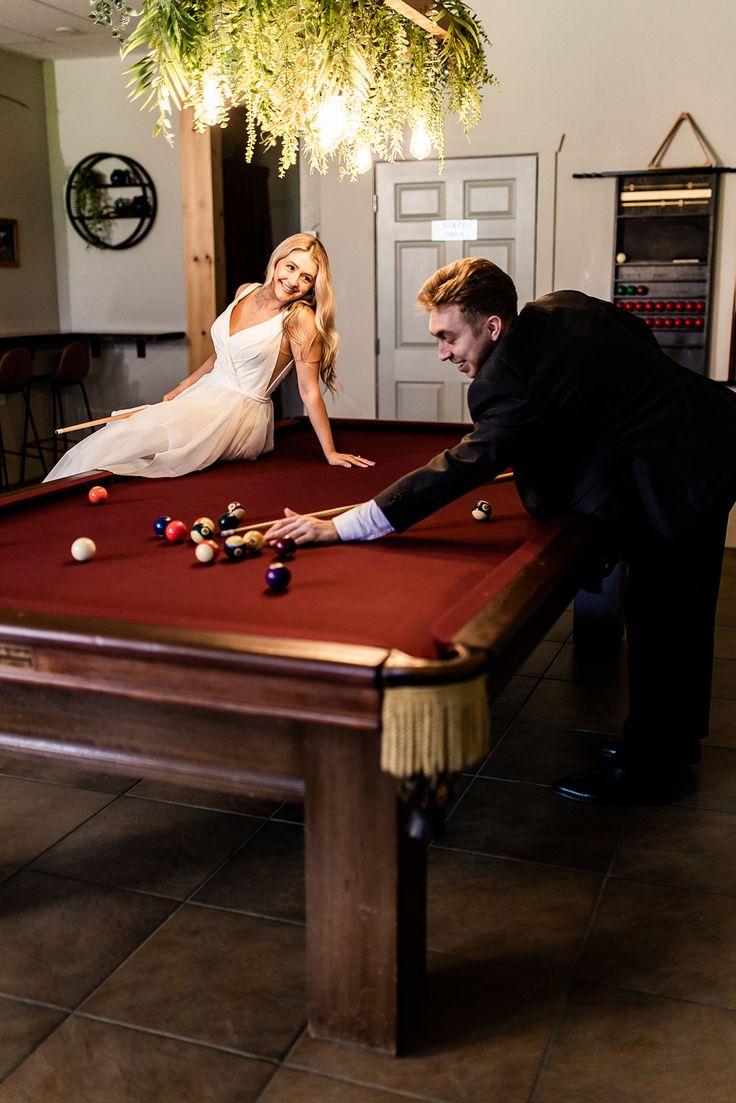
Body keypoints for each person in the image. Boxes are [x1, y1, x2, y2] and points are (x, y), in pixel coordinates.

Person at [264, 257, 736, 805]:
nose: (443, 353)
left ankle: (650, 767)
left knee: (664, 613)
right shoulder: (560, 306)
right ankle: (672, 745)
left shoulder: (506, 382)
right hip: (710, 433)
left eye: (448, 337)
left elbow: (463, 466)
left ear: (492, 325)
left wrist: (348, 524)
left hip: (687, 468)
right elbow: (633, 332)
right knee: (682, 609)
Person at [44, 234, 374, 481]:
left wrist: (330, 452)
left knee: (133, 440)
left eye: (306, 278)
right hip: (204, 396)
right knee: (122, 430)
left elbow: (309, 390)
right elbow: (220, 355)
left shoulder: (299, 320)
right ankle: (58, 495)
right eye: (291, 267)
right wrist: (184, 385)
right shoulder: (245, 291)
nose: (294, 281)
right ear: (277, 262)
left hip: (239, 414)